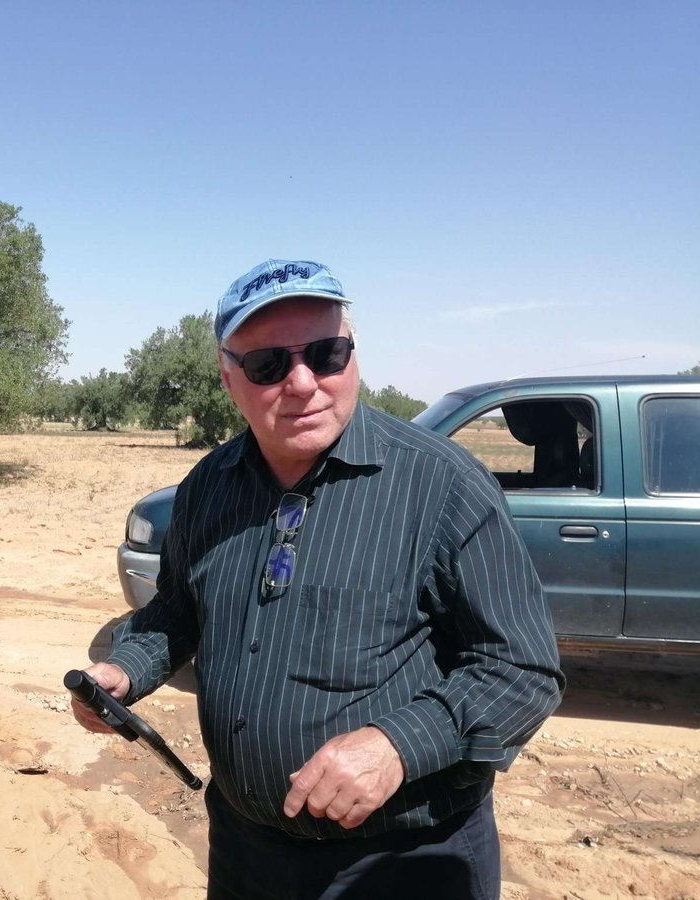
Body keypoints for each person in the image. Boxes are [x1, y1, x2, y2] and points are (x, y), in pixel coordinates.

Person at [71, 259, 564, 899]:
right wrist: (125, 670)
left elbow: (523, 669)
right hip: (249, 849)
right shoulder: (205, 488)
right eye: (268, 365)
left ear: (354, 355)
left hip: (404, 861)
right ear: (230, 379)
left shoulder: (443, 485)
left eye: (327, 354)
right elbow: (177, 612)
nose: (302, 383)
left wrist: (398, 745)